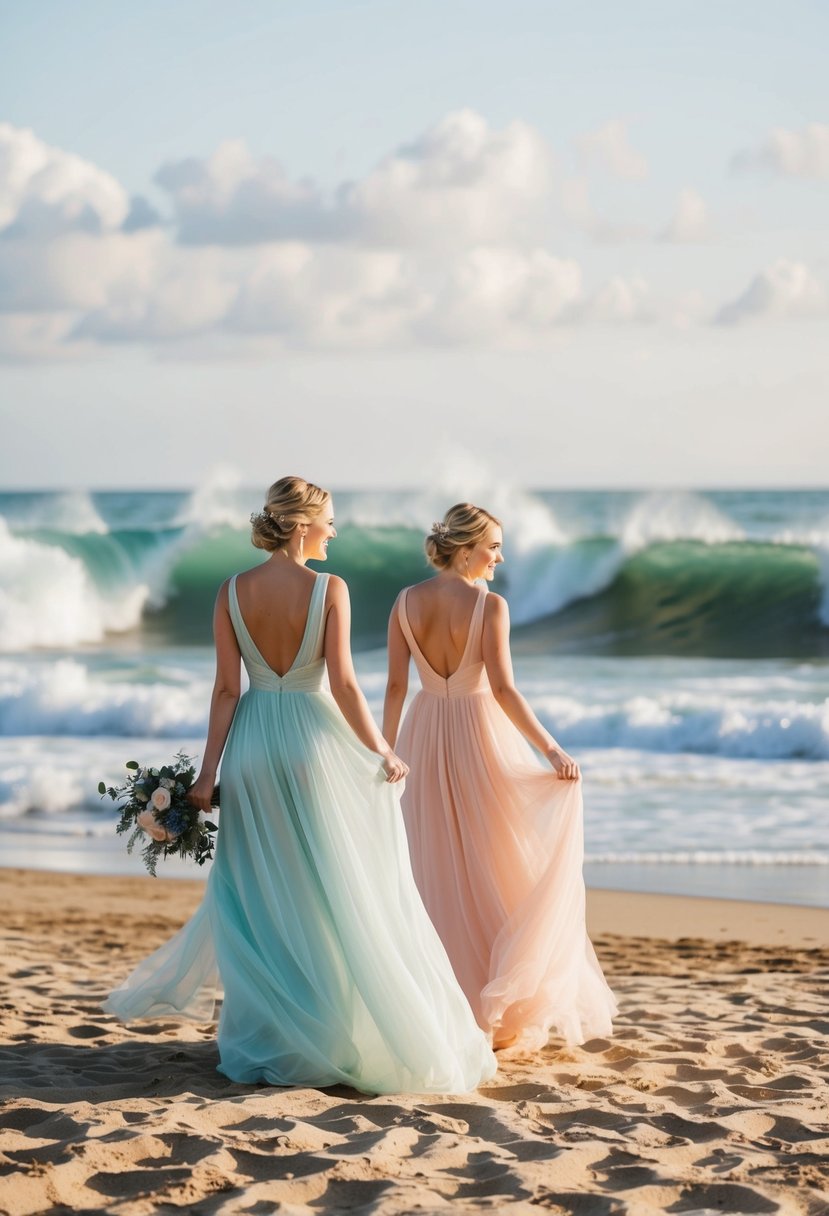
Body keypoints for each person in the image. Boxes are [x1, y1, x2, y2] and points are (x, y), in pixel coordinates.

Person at [104, 478, 495, 1095]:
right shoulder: (329, 590)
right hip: (314, 745)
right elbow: (342, 682)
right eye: (330, 521)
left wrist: (208, 774)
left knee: (262, 894)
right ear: (301, 525)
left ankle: (276, 1035)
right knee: (338, 889)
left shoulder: (231, 591)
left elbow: (226, 691)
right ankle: (340, 1029)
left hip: (253, 748)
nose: (335, 532)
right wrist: (381, 749)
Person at [383, 503, 617, 1051]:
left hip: (422, 731)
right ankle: (491, 1004)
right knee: (492, 859)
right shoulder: (490, 605)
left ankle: (445, 1003)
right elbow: (506, 690)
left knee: (433, 860)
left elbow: (395, 687)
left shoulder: (405, 602)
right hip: (477, 731)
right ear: (466, 550)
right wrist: (552, 749)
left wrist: (384, 750)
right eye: (493, 546)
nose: (500, 556)